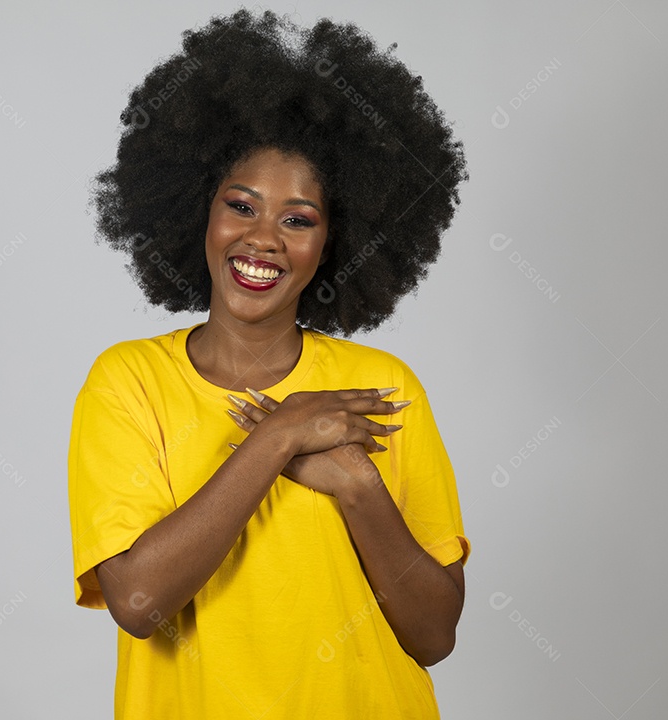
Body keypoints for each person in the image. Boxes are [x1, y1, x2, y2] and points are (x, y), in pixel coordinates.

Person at [68, 9, 470, 719]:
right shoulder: (128, 381)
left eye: (298, 218)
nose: (262, 240)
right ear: (200, 211)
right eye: (241, 206)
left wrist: (357, 486)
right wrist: (279, 436)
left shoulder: (383, 387)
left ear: (332, 242)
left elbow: (434, 635)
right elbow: (136, 600)